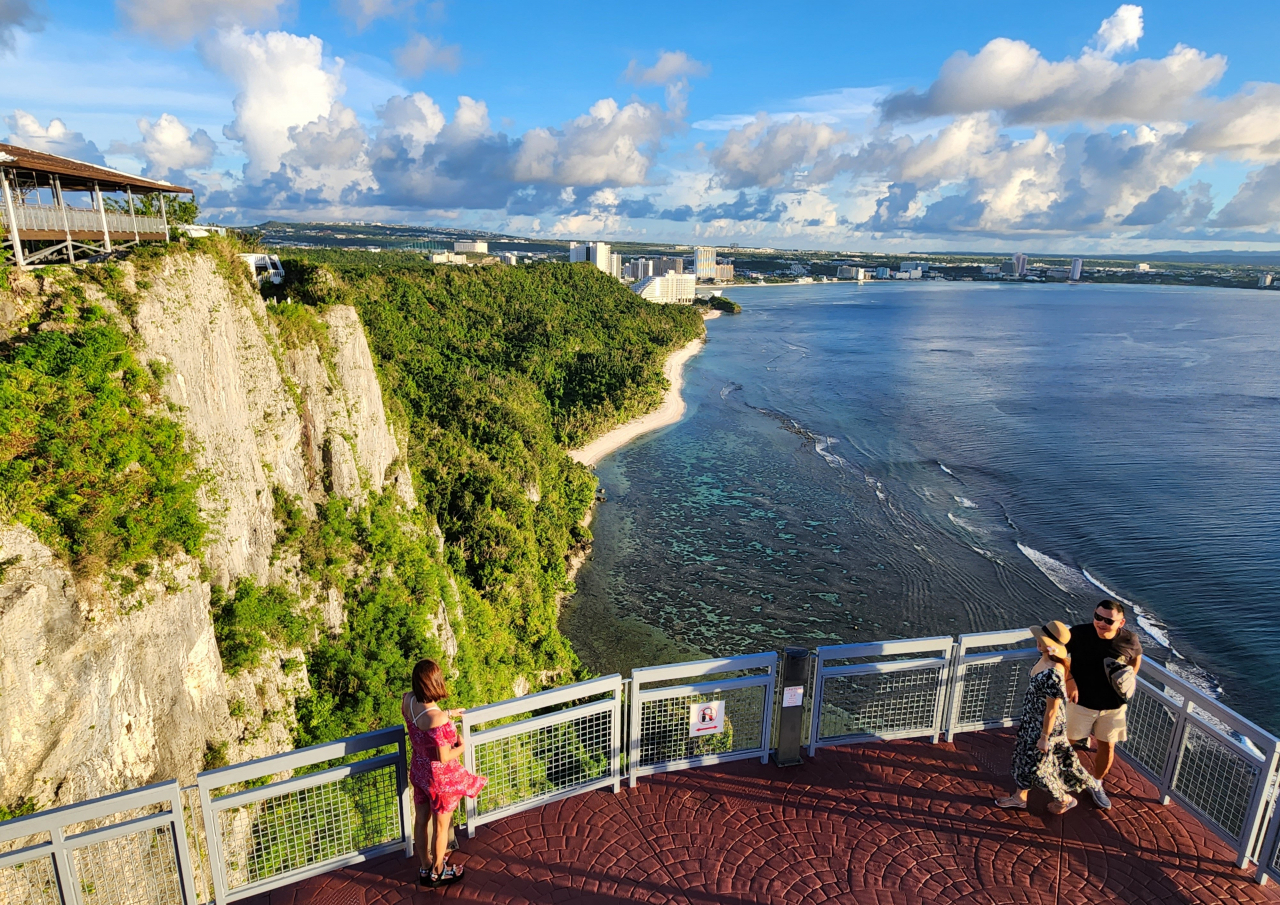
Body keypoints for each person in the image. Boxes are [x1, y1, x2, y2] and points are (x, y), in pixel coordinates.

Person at [996, 621, 1103, 815]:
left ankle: (1064, 799)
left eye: (1042, 640)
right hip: (1033, 720)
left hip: (1045, 726)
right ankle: (1020, 797)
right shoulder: (1047, 659)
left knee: (1040, 768)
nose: (1038, 642)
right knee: (1025, 759)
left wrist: (1044, 737)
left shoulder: (1053, 673)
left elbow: (1052, 710)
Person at [402, 659, 487, 887]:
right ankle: (439, 872)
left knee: (421, 821)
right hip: (439, 780)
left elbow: (423, 719)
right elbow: (443, 756)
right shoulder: (438, 719)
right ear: (435, 682)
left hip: (419, 772)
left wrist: (447, 712)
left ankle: (425, 866)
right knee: (441, 826)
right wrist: (461, 745)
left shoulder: (407, 700)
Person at [1065, 599, 1142, 810]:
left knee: (1107, 746)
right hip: (1081, 703)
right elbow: (1060, 656)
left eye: (1108, 620)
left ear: (1121, 622)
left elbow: (1136, 657)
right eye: (1097, 617)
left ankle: (1096, 783)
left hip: (1114, 707)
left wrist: (1131, 677)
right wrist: (1069, 680)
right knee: (1068, 742)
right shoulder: (1079, 633)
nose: (1100, 623)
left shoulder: (1129, 639)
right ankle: (1061, 775)